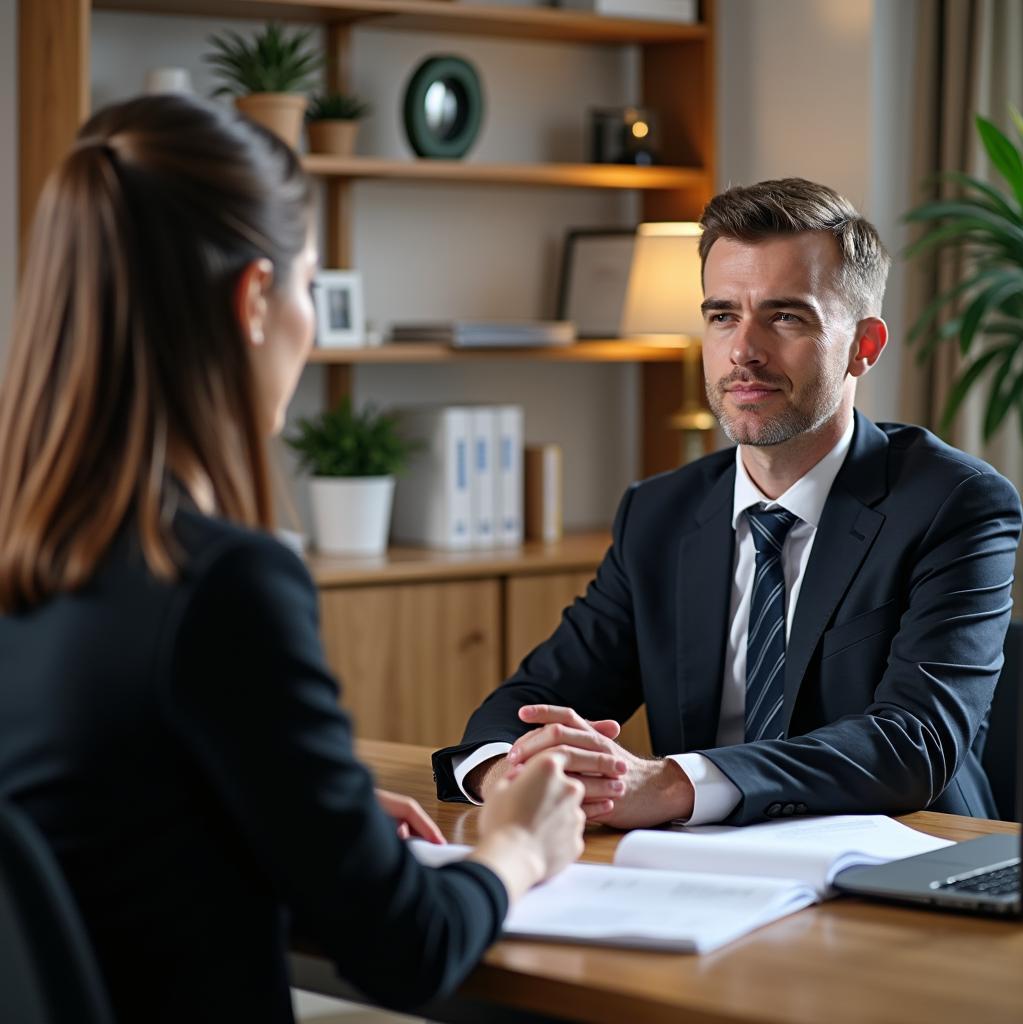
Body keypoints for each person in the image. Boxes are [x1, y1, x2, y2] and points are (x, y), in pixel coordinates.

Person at [0, 94, 588, 1023]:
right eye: (311, 288)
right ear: (253, 302)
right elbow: (408, 952)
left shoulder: (34, 563)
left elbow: (117, 817)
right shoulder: (222, 584)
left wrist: (321, 819)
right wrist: (516, 848)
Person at [434, 177, 1023, 829]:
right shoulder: (659, 513)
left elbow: (915, 743)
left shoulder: (954, 504)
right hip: (699, 873)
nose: (743, 350)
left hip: (905, 863)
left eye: (785, 316)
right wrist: (506, 770)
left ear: (865, 346)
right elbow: (530, 702)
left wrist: (674, 783)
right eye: (722, 315)